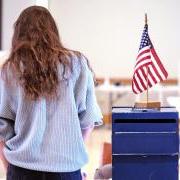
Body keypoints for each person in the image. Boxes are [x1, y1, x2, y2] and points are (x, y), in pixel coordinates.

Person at [0, 6, 102, 180]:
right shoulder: (77, 64)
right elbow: (88, 122)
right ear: (53, 32)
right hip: (66, 168)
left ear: (18, 34)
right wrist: (74, 158)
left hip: (22, 168)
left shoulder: (11, 69)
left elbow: (2, 128)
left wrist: (8, 166)